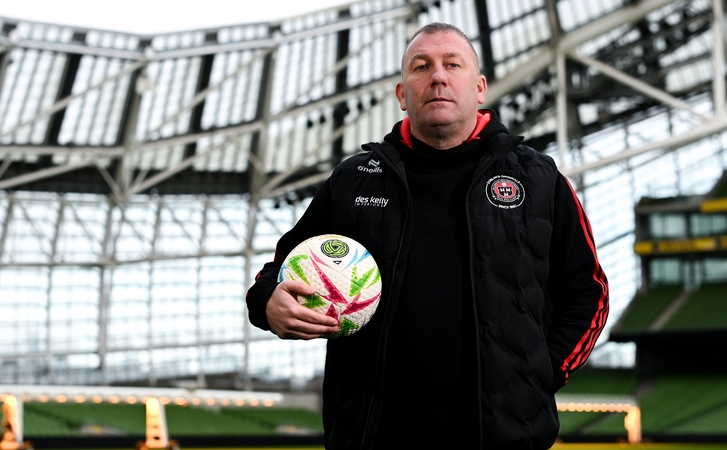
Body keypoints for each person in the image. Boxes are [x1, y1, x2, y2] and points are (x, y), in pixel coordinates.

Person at [247, 22, 609, 450]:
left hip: (503, 440)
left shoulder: (540, 180)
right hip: (374, 438)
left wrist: (539, 375)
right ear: (402, 95)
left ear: (479, 89)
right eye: (421, 67)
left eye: (451, 64)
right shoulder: (354, 180)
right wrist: (268, 304)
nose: (437, 76)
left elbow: (590, 293)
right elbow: (278, 271)